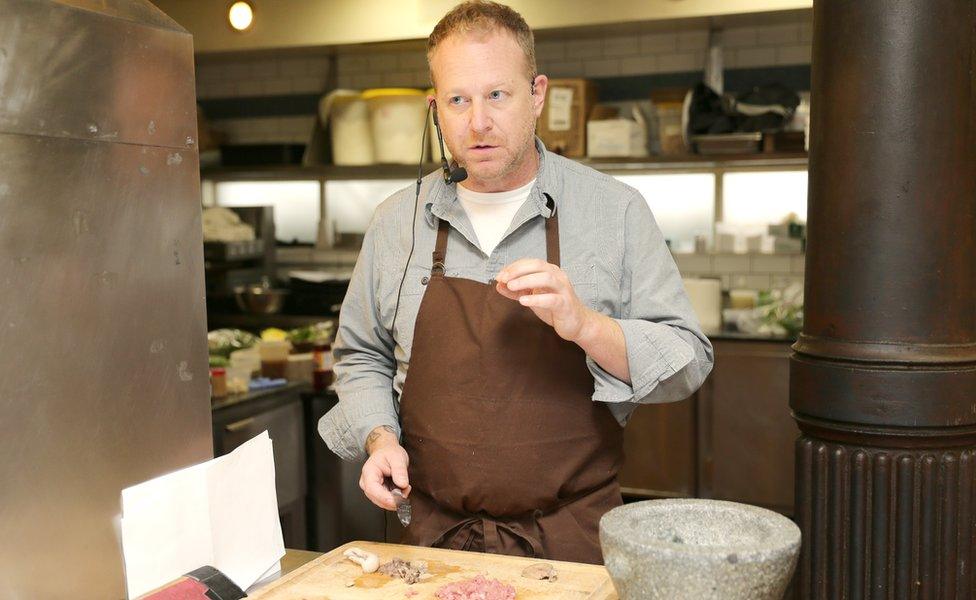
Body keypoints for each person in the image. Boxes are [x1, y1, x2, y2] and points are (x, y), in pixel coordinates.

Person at [320, 0, 713, 564]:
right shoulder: (394, 224)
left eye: (497, 95)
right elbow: (362, 355)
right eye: (458, 100)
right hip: (431, 542)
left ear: (537, 94)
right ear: (436, 108)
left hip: (570, 544)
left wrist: (587, 326)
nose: (478, 121)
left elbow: (688, 361)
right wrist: (379, 437)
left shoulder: (614, 211)